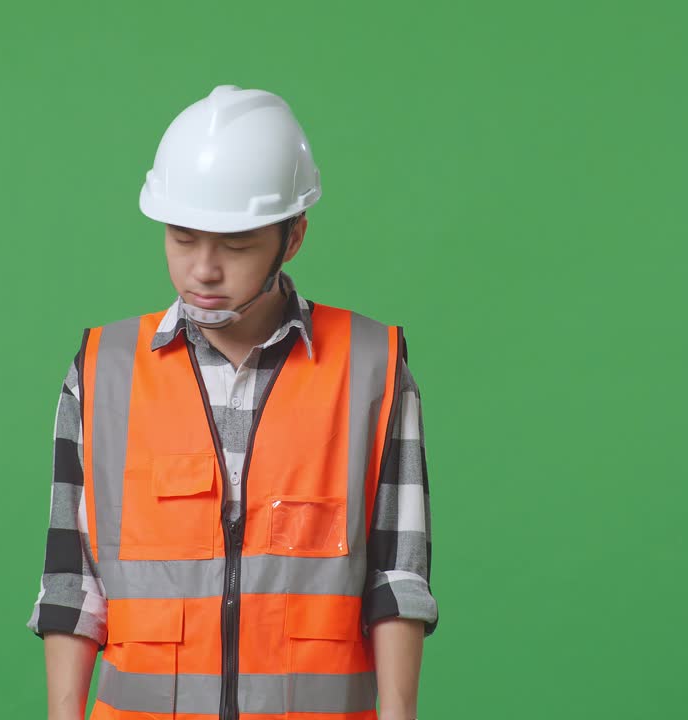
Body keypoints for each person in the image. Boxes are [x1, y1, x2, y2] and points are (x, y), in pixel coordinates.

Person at [27, 84, 438, 720]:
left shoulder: (372, 368)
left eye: (236, 245)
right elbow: (71, 585)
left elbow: (398, 580)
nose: (204, 270)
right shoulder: (102, 370)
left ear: (292, 237)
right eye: (183, 239)